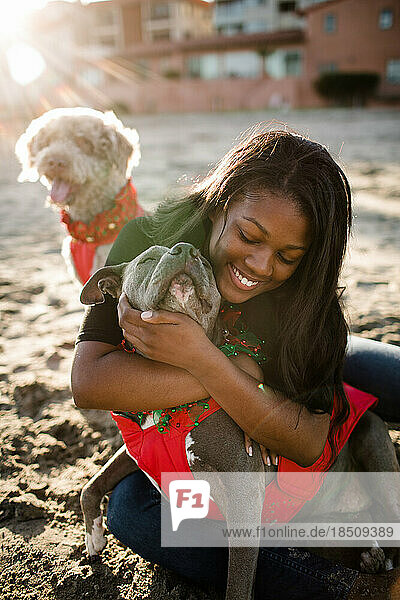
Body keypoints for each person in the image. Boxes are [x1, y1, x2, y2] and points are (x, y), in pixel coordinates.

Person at [72, 129, 400, 599]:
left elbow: (307, 441)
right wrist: (231, 370)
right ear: (219, 204)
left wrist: (206, 360)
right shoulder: (151, 242)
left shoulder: (306, 296)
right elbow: (89, 382)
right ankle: (344, 580)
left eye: (288, 256)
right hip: (242, 403)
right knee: (132, 511)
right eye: (249, 236)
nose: (263, 267)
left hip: (312, 368)